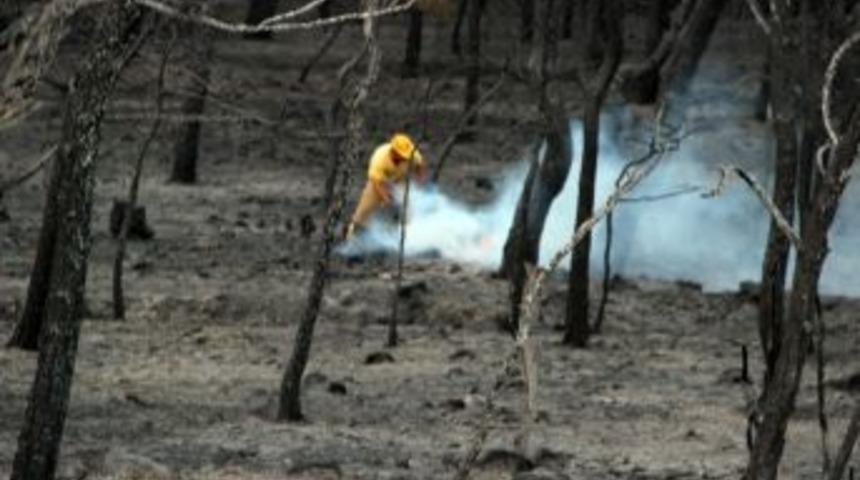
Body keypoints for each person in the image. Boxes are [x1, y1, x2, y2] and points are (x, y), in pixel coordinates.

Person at [345, 133, 427, 239]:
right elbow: (377, 182)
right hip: (379, 182)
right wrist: (387, 198)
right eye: (402, 155)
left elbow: (421, 165)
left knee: (409, 207)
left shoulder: (412, 154)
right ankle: (352, 234)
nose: (404, 158)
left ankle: (404, 235)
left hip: (400, 181)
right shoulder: (379, 157)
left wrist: (421, 181)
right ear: (394, 151)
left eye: (406, 156)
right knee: (365, 209)